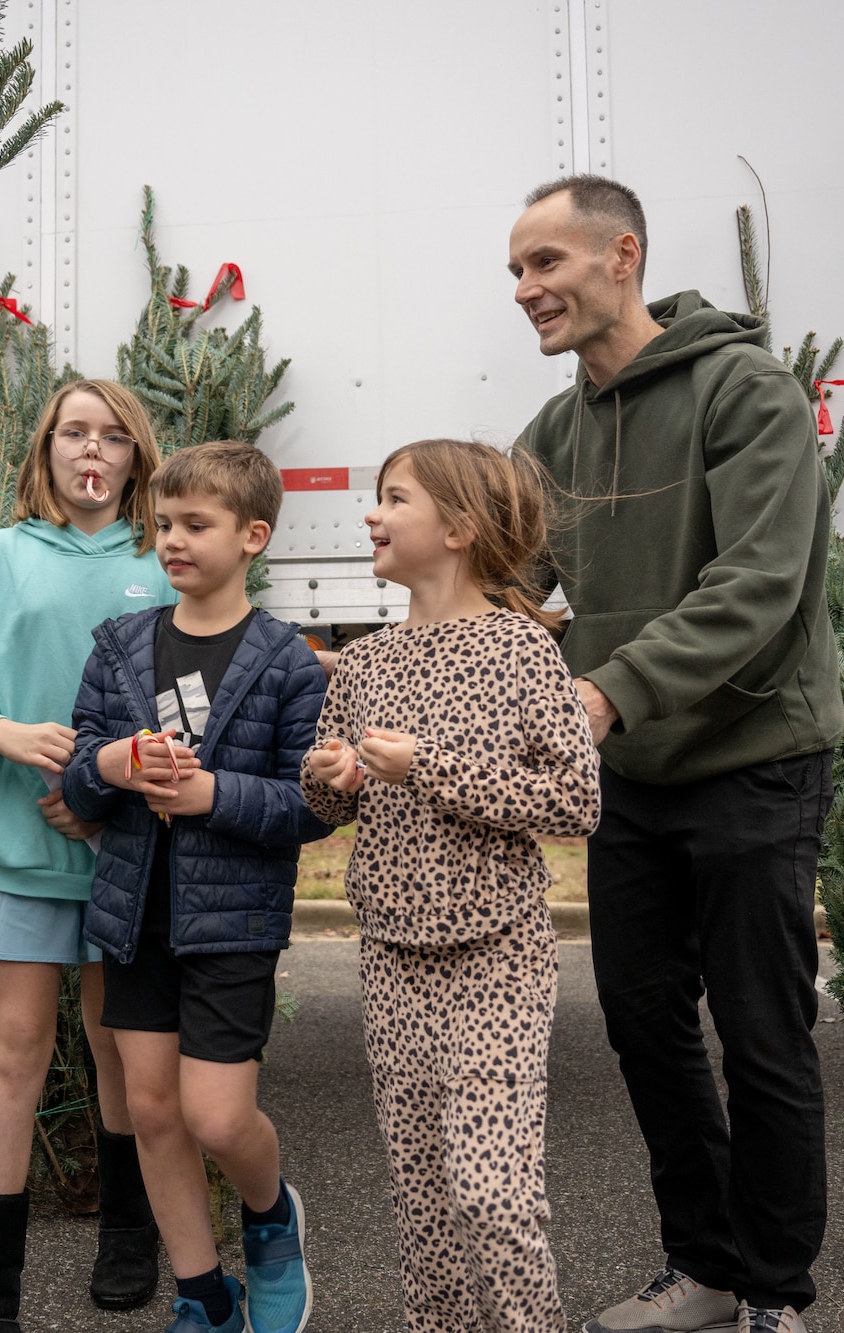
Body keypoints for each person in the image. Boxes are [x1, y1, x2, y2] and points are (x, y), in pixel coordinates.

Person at [507, 175, 842, 1333]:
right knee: (644, 1024)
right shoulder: (548, 436)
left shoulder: (741, 389)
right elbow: (499, 589)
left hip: (753, 756)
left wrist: (604, 689)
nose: (525, 289)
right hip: (634, 779)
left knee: (761, 1034)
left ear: (620, 255)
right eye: (514, 270)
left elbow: (758, 582)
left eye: (544, 262)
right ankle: (702, 1270)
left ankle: (776, 1295)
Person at [303, 438, 599, 1333]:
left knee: (493, 1197)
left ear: (460, 528)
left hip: (497, 956)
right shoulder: (362, 662)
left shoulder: (521, 649)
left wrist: (430, 765)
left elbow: (578, 798)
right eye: (375, 498)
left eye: (394, 498)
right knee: (424, 1204)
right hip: (392, 956)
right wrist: (331, 777)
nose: (372, 515)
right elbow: (320, 800)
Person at [0, 380, 174, 1332]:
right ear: (47, 449)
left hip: (128, 856)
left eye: (112, 436)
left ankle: (129, 1237)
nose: (91, 450)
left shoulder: (163, 557)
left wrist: (111, 800)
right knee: (15, 1053)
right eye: (74, 432)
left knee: (119, 1050)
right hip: (21, 852)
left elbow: (197, 706)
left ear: (137, 456)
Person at [63, 440, 334, 1333]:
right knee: (150, 1110)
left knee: (218, 1118)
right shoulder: (120, 646)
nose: (172, 540)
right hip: (134, 916)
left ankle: (269, 1216)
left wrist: (211, 792)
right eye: (164, 524)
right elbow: (77, 784)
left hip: (233, 923)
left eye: (195, 524)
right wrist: (111, 759)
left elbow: (313, 803)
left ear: (253, 535)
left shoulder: (288, 663)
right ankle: (203, 1294)